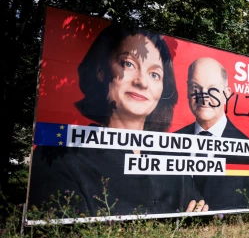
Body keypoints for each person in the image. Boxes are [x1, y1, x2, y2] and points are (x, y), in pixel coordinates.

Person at [29, 24, 207, 217]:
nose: (142, 82)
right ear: (101, 71)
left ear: (163, 89)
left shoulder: (173, 159)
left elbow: (198, 214)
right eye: (128, 64)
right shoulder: (59, 156)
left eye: (154, 74)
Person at [176, 57, 249, 210]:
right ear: (187, 90)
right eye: (196, 87)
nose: (203, 97)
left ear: (226, 94)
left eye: (213, 89)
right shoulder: (168, 144)